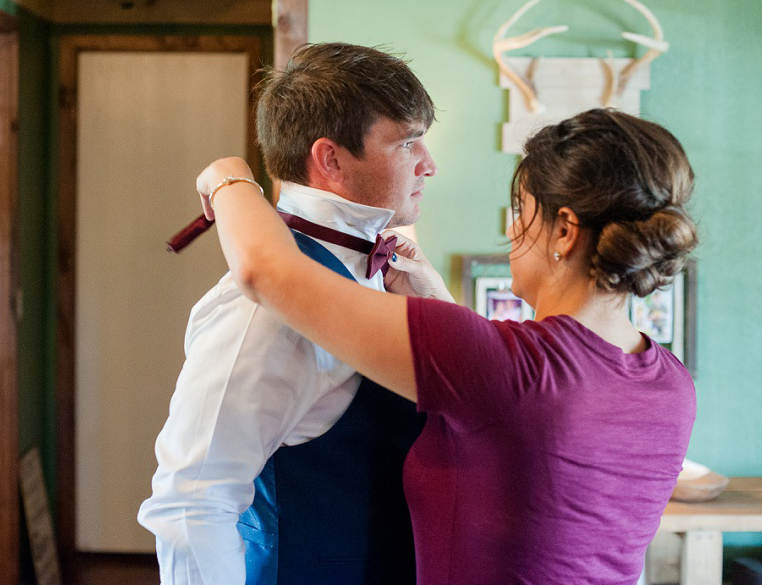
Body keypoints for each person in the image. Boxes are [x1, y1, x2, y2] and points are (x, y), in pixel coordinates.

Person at [193, 108, 698, 585]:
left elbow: (268, 272)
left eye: (520, 210)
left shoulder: (503, 367)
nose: (512, 228)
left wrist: (229, 178)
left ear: (564, 231)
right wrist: (442, 308)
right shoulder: (673, 383)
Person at [138, 42, 437, 584]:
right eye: (409, 143)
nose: (429, 165)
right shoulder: (261, 312)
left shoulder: (388, 271)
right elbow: (191, 506)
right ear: (330, 159)